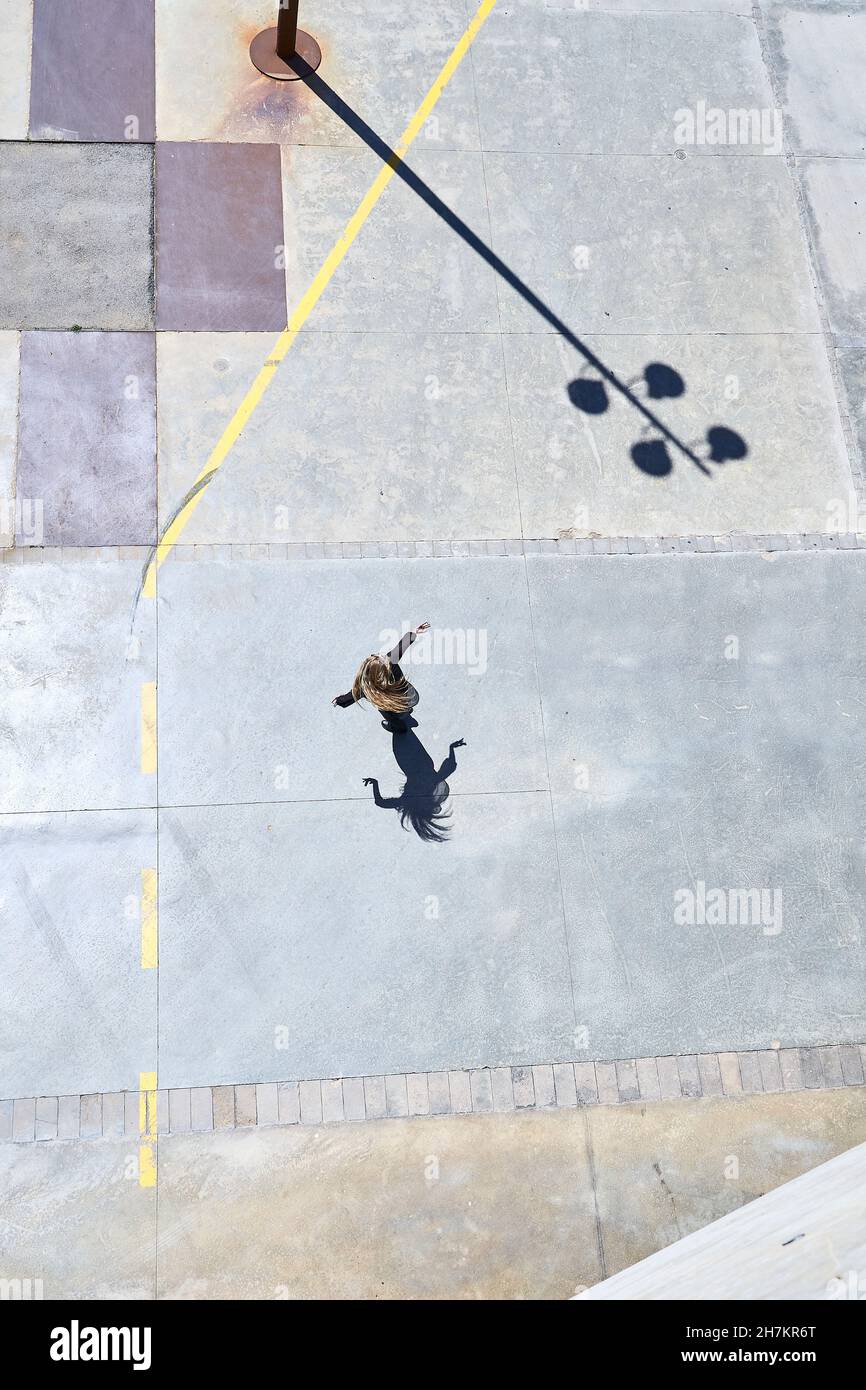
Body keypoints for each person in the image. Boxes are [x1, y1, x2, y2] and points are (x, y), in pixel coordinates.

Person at [332, 622, 430, 733]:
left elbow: (350, 697)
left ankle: (399, 728)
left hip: (391, 706)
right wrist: (414, 632)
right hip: (408, 697)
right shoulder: (390, 661)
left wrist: (338, 701)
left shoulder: (366, 688)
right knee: (404, 708)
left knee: (392, 717)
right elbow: (402, 646)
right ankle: (406, 711)